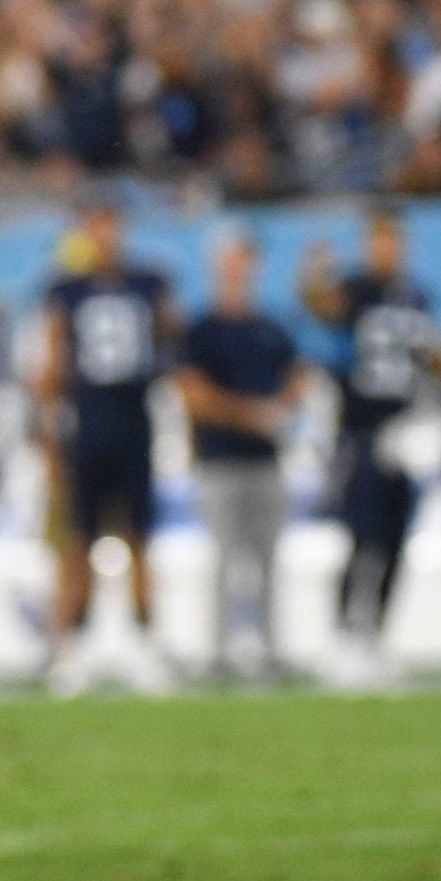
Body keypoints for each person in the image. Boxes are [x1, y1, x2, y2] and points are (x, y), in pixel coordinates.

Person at [301, 206, 441, 686]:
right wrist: (315, 267)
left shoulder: (417, 296)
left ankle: (375, 639)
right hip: (363, 432)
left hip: (409, 433)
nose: (387, 249)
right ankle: (343, 637)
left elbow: (433, 355)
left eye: (394, 240)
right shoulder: (356, 290)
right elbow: (318, 304)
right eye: (380, 239)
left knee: (395, 541)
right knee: (360, 538)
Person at [36, 197, 179, 695]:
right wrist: (49, 439)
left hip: (134, 427)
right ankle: (70, 648)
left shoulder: (148, 285)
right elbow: (52, 368)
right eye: (97, 224)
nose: (106, 234)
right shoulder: (67, 291)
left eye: (112, 223)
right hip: (88, 429)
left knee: (140, 540)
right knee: (78, 543)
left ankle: (147, 645)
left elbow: (169, 345)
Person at [176, 233, 307, 679]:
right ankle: (218, 654)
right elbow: (193, 395)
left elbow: (298, 376)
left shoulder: (271, 328)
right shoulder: (203, 331)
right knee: (223, 561)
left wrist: (281, 408)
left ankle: (270, 652)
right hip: (220, 462)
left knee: (269, 562)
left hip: (266, 462)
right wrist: (253, 415)